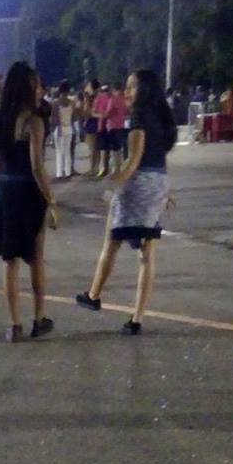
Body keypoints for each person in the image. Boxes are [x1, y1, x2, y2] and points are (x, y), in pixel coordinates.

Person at [76, 69, 177, 335]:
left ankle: (94, 294)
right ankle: (137, 319)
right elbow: (159, 160)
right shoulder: (163, 119)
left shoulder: (139, 120)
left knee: (112, 242)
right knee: (147, 255)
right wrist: (166, 191)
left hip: (138, 185)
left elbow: (133, 162)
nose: (127, 91)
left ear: (145, 91)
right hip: (157, 184)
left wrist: (111, 185)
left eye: (133, 87)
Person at [0, 62, 56, 342]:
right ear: (28, 88)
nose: (40, 90)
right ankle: (39, 319)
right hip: (29, 191)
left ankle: (14, 324)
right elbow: (37, 166)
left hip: (6, 191)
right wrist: (51, 201)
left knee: (9, 260)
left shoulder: (1, 120)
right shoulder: (34, 122)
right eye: (36, 85)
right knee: (36, 258)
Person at [52, 81, 75, 179]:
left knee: (59, 151)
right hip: (69, 128)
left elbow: (54, 118)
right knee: (67, 151)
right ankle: (68, 172)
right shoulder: (71, 103)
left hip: (59, 128)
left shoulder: (56, 103)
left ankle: (59, 173)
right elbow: (74, 117)